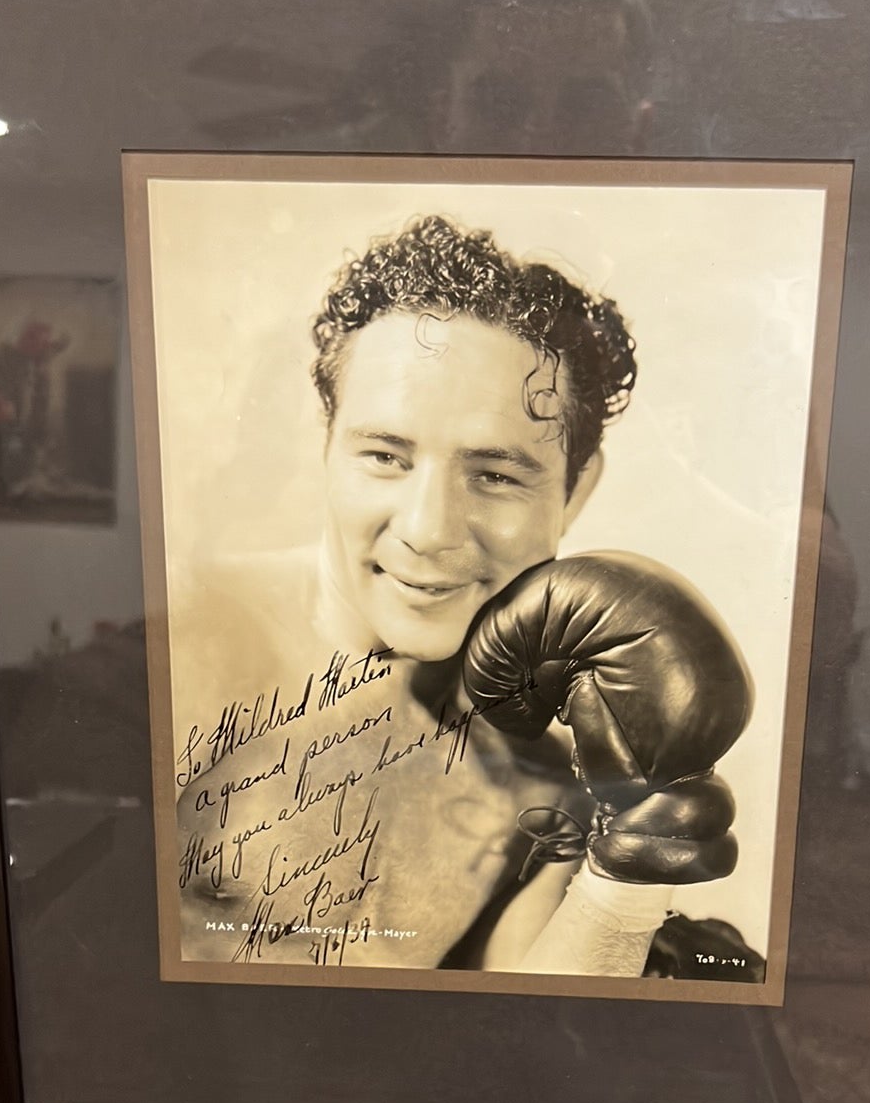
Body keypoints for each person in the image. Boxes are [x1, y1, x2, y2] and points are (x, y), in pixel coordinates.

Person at [175, 215, 749, 979]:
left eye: (496, 475)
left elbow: (530, 1030)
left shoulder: (548, 777)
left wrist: (629, 883)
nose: (428, 530)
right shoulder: (191, 639)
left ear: (577, 491)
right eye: (385, 456)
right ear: (329, 448)